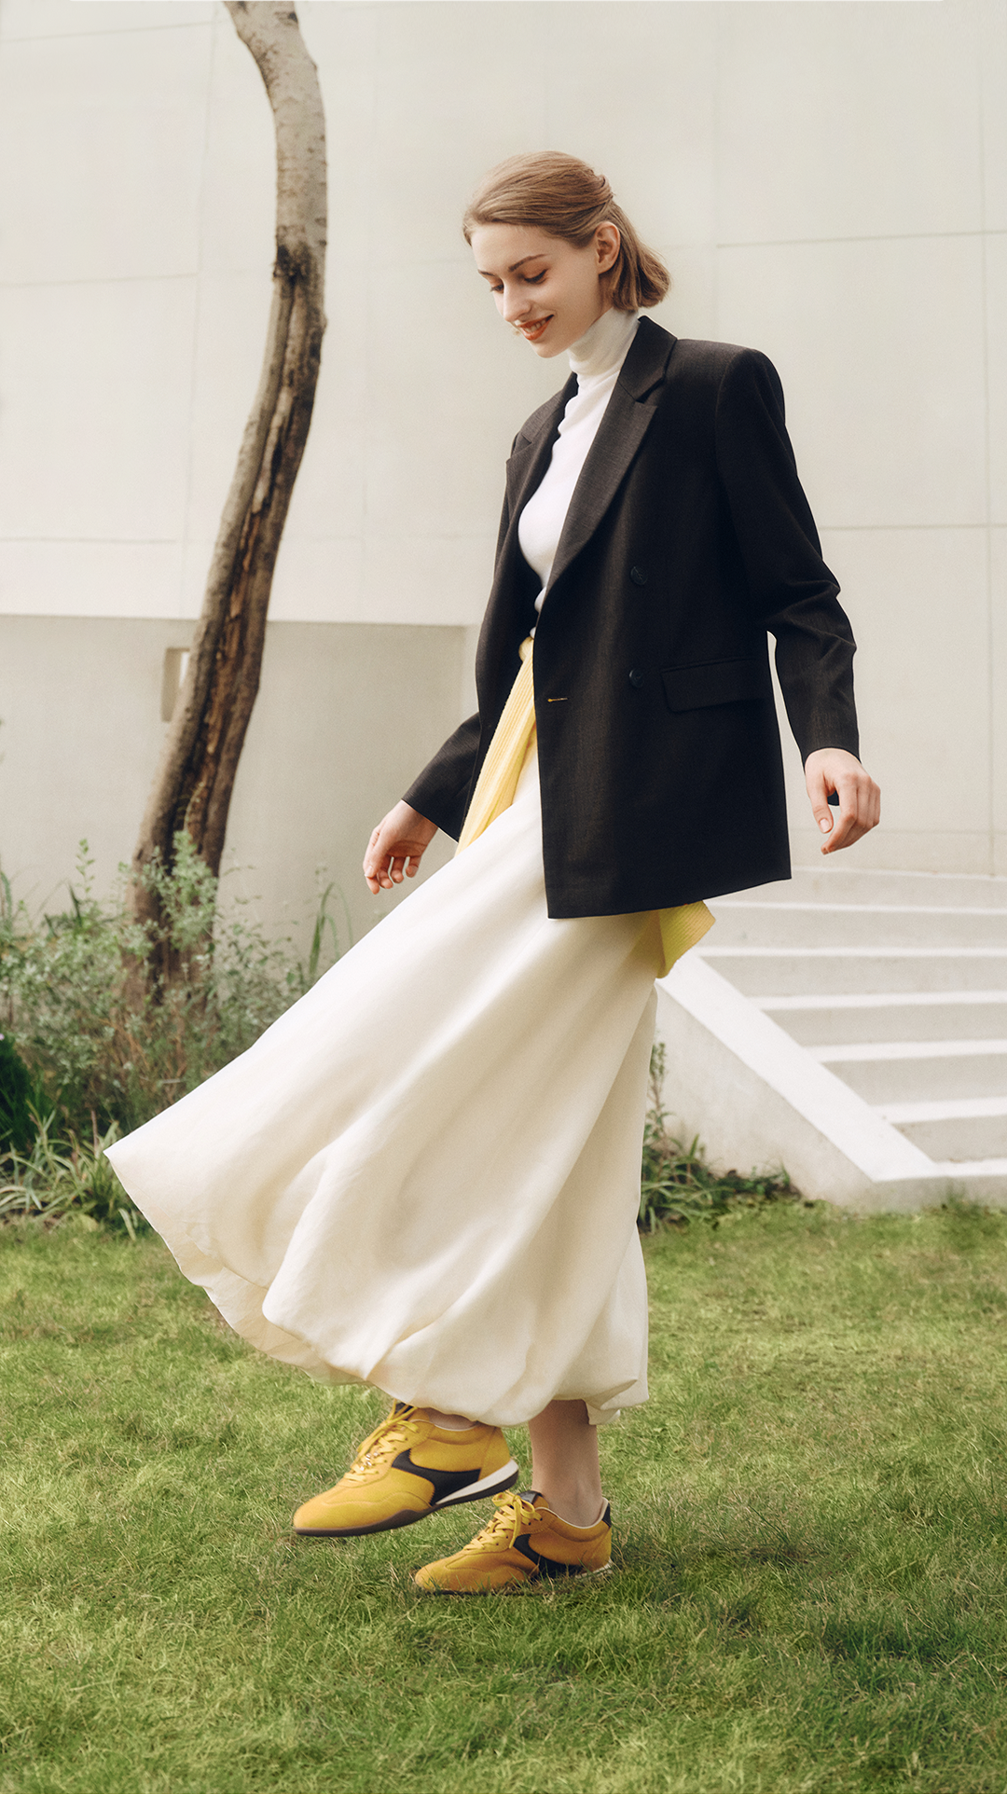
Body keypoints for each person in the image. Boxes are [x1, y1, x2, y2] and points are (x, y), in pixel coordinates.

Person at [107, 152, 880, 1595]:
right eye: (491, 285)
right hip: (535, 792)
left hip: (638, 816)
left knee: (418, 1064)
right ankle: (566, 1519)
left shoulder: (713, 388)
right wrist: (432, 789)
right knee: (553, 1154)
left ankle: (448, 1416)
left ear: (603, 248)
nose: (513, 303)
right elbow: (532, 651)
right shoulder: (540, 431)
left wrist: (826, 742)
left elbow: (798, 593)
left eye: (532, 273)